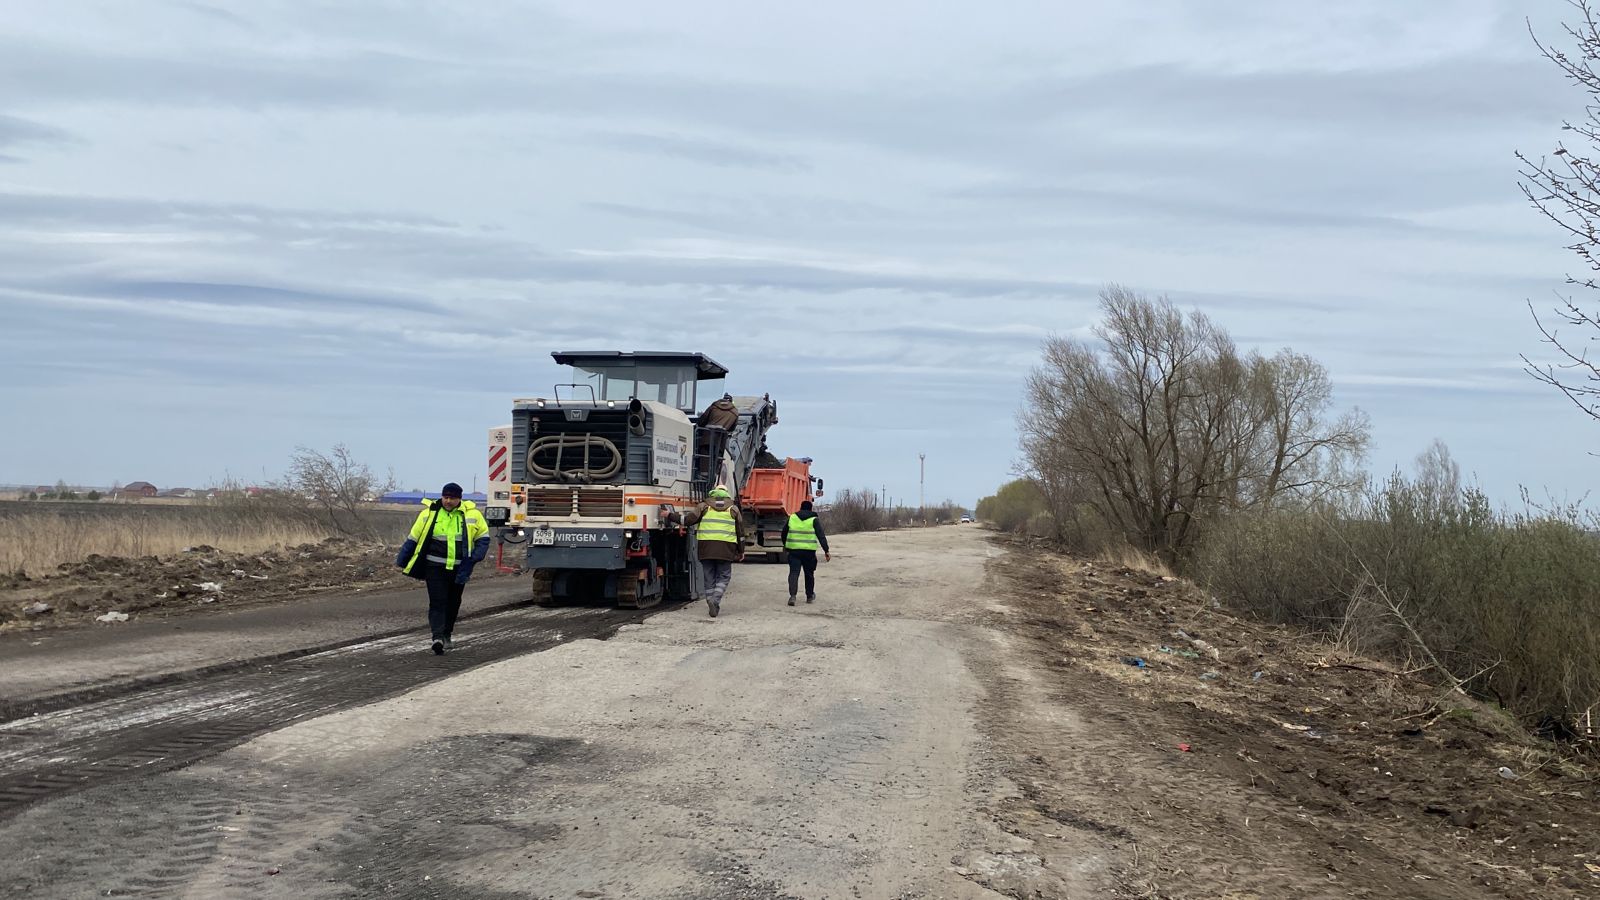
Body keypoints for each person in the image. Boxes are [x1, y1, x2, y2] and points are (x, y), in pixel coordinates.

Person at [396, 482, 489, 654]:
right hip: (434, 567)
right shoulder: (428, 514)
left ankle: (447, 634)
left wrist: (475, 557)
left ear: (459, 499)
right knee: (438, 601)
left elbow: (483, 538)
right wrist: (402, 559)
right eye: (445, 497)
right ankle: (437, 637)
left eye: (452, 498)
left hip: (460, 568)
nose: (448, 501)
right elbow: (413, 538)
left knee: (453, 602)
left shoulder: (473, 515)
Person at [662, 484, 745, 617]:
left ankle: (709, 599)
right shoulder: (733, 509)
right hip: (726, 548)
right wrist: (741, 551)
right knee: (724, 576)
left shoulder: (703, 506)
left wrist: (670, 515)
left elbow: (687, 520)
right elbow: (740, 533)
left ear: (714, 492)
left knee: (708, 576)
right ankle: (715, 599)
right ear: (727, 494)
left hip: (706, 548)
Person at [781, 499, 830, 606]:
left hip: (794, 551)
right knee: (809, 574)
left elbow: (784, 533)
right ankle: (809, 596)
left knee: (794, 573)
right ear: (810, 508)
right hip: (809, 552)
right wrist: (826, 550)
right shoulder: (814, 520)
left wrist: (785, 545)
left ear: (801, 507)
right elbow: (821, 536)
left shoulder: (792, 518)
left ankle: (793, 596)